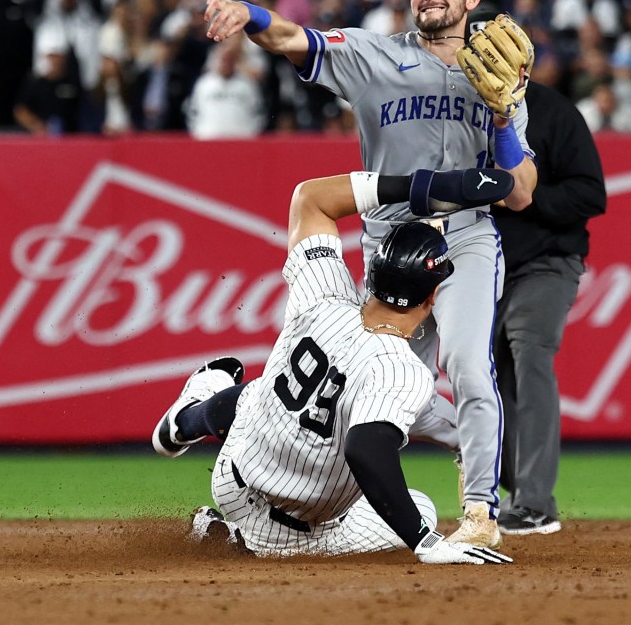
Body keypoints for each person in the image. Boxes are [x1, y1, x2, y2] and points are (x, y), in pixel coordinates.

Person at [203, 0, 539, 548]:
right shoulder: (373, 55)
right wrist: (248, 13)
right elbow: (291, 40)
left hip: (464, 235)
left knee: (465, 363)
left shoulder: (497, 74)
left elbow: (520, 195)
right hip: (389, 242)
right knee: (377, 381)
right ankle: (463, 444)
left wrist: (502, 115)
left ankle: (482, 509)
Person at [153, 167, 517, 563]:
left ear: (374, 272)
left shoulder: (324, 295)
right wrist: (424, 542)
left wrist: (421, 186)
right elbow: (365, 449)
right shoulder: (401, 370)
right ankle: (232, 539)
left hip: (232, 473)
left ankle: (183, 422)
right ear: (432, 298)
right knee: (421, 508)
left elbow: (310, 199)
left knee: (262, 392)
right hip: (288, 532)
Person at [492, 76, 606, 536]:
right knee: (483, 370)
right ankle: (515, 483)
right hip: (486, 265)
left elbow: (589, 194)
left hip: (547, 261)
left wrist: (523, 195)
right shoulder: (456, 110)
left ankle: (534, 501)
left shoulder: (552, 110)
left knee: (530, 354)